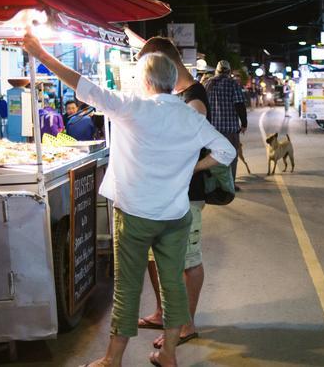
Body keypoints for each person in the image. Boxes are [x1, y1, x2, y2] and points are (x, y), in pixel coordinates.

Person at [23, 30, 235, 367]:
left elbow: (83, 87)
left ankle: (112, 359)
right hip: (176, 215)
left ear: (147, 81)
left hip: (135, 215)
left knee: (127, 287)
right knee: (172, 284)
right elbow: (226, 151)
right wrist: (191, 168)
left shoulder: (130, 107)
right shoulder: (189, 116)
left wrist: (41, 54)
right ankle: (168, 355)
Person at [132, 37, 209, 350]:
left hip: (186, 194)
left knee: (187, 260)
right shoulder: (171, 94)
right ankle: (164, 312)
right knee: (155, 256)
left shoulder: (194, 95)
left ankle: (186, 323)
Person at [205, 60, 247, 189]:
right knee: (231, 157)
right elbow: (239, 105)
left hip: (212, 130)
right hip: (230, 130)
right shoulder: (233, 84)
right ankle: (229, 184)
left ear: (217, 71)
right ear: (229, 72)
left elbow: (203, 104)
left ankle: (213, 184)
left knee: (212, 157)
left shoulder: (208, 84)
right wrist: (244, 123)